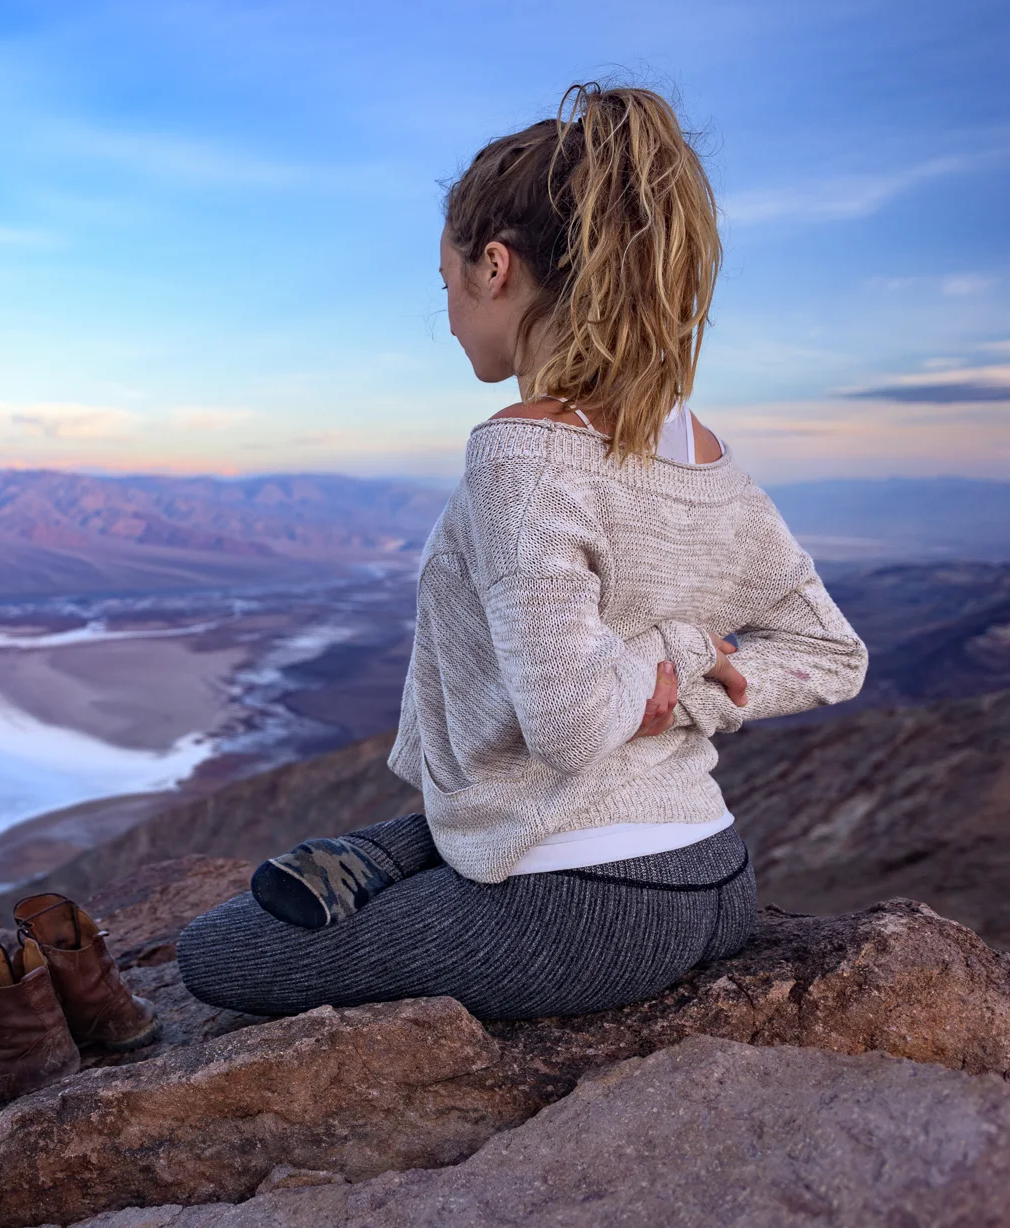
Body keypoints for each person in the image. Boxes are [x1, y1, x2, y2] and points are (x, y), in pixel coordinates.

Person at [176, 83, 869, 1022]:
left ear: (494, 267)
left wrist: (678, 652)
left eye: (448, 282)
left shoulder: (522, 455)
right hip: (713, 867)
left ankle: (400, 855)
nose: (452, 313)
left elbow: (576, 727)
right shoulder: (697, 448)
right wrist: (687, 697)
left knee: (216, 953)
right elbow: (831, 652)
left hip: (584, 906)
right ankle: (402, 849)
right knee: (442, 820)